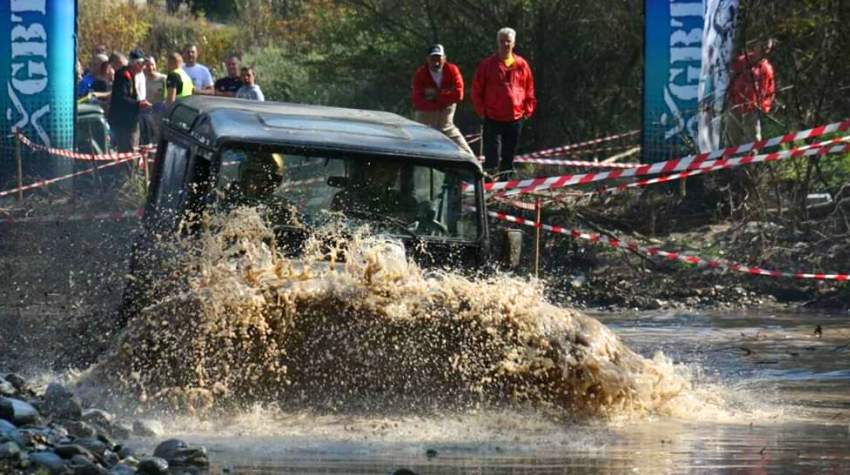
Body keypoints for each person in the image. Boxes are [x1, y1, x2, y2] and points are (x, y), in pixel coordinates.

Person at [472, 27, 537, 175]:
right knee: (491, 158)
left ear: (513, 43)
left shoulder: (522, 65)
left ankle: (503, 189)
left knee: (508, 159)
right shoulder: (486, 65)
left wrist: (528, 110)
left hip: (515, 117)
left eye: (508, 41)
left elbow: (529, 89)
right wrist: (482, 112)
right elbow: (476, 91)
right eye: (502, 41)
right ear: (497, 43)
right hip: (492, 118)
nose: (505, 44)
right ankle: (488, 189)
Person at [411, 44, 474, 155]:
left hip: (447, 126)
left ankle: (479, 171)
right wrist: (446, 97)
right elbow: (417, 101)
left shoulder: (452, 70)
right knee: (416, 154)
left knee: (466, 153)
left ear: (444, 58)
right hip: (425, 126)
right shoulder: (420, 74)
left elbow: (459, 94)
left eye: (439, 58)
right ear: (427, 59)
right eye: (433, 58)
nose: (436, 62)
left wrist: (434, 95)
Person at [726, 38, 776, 145]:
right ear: (756, 46)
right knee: (733, 137)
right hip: (735, 105)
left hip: (752, 108)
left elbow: (770, 91)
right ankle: (733, 160)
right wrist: (730, 97)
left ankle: (752, 160)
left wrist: (764, 106)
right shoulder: (742, 61)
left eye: (767, 49)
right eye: (762, 47)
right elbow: (729, 79)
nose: (764, 51)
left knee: (754, 140)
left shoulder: (767, 69)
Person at [108, 51, 152, 152]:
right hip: (124, 123)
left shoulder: (131, 75)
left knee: (134, 150)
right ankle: (127, 168)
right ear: (136, 64)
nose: (143, 68)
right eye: (142, 65)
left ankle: (132, 167)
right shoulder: (123, 75)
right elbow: (121, 99)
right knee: (129, 152)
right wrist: (139, 104)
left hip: (131, 120)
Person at [142, 56, 167, 145]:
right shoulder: (142, 80)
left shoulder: (163, 79)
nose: (150, 68)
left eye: (152, 65)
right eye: (148, 65)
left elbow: (168, 98)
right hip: (146, 115)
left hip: (159, 115)